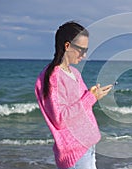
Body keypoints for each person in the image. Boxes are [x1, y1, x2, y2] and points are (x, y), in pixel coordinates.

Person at [35, 21, 112, 169]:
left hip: (87, 146)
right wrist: (90, 98)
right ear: (67, 46)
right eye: (81, 50)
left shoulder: (74, 73)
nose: (84, 55)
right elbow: (60, 119)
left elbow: (81, 108)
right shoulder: (53, 77)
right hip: (74, 153)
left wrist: (95, 95)